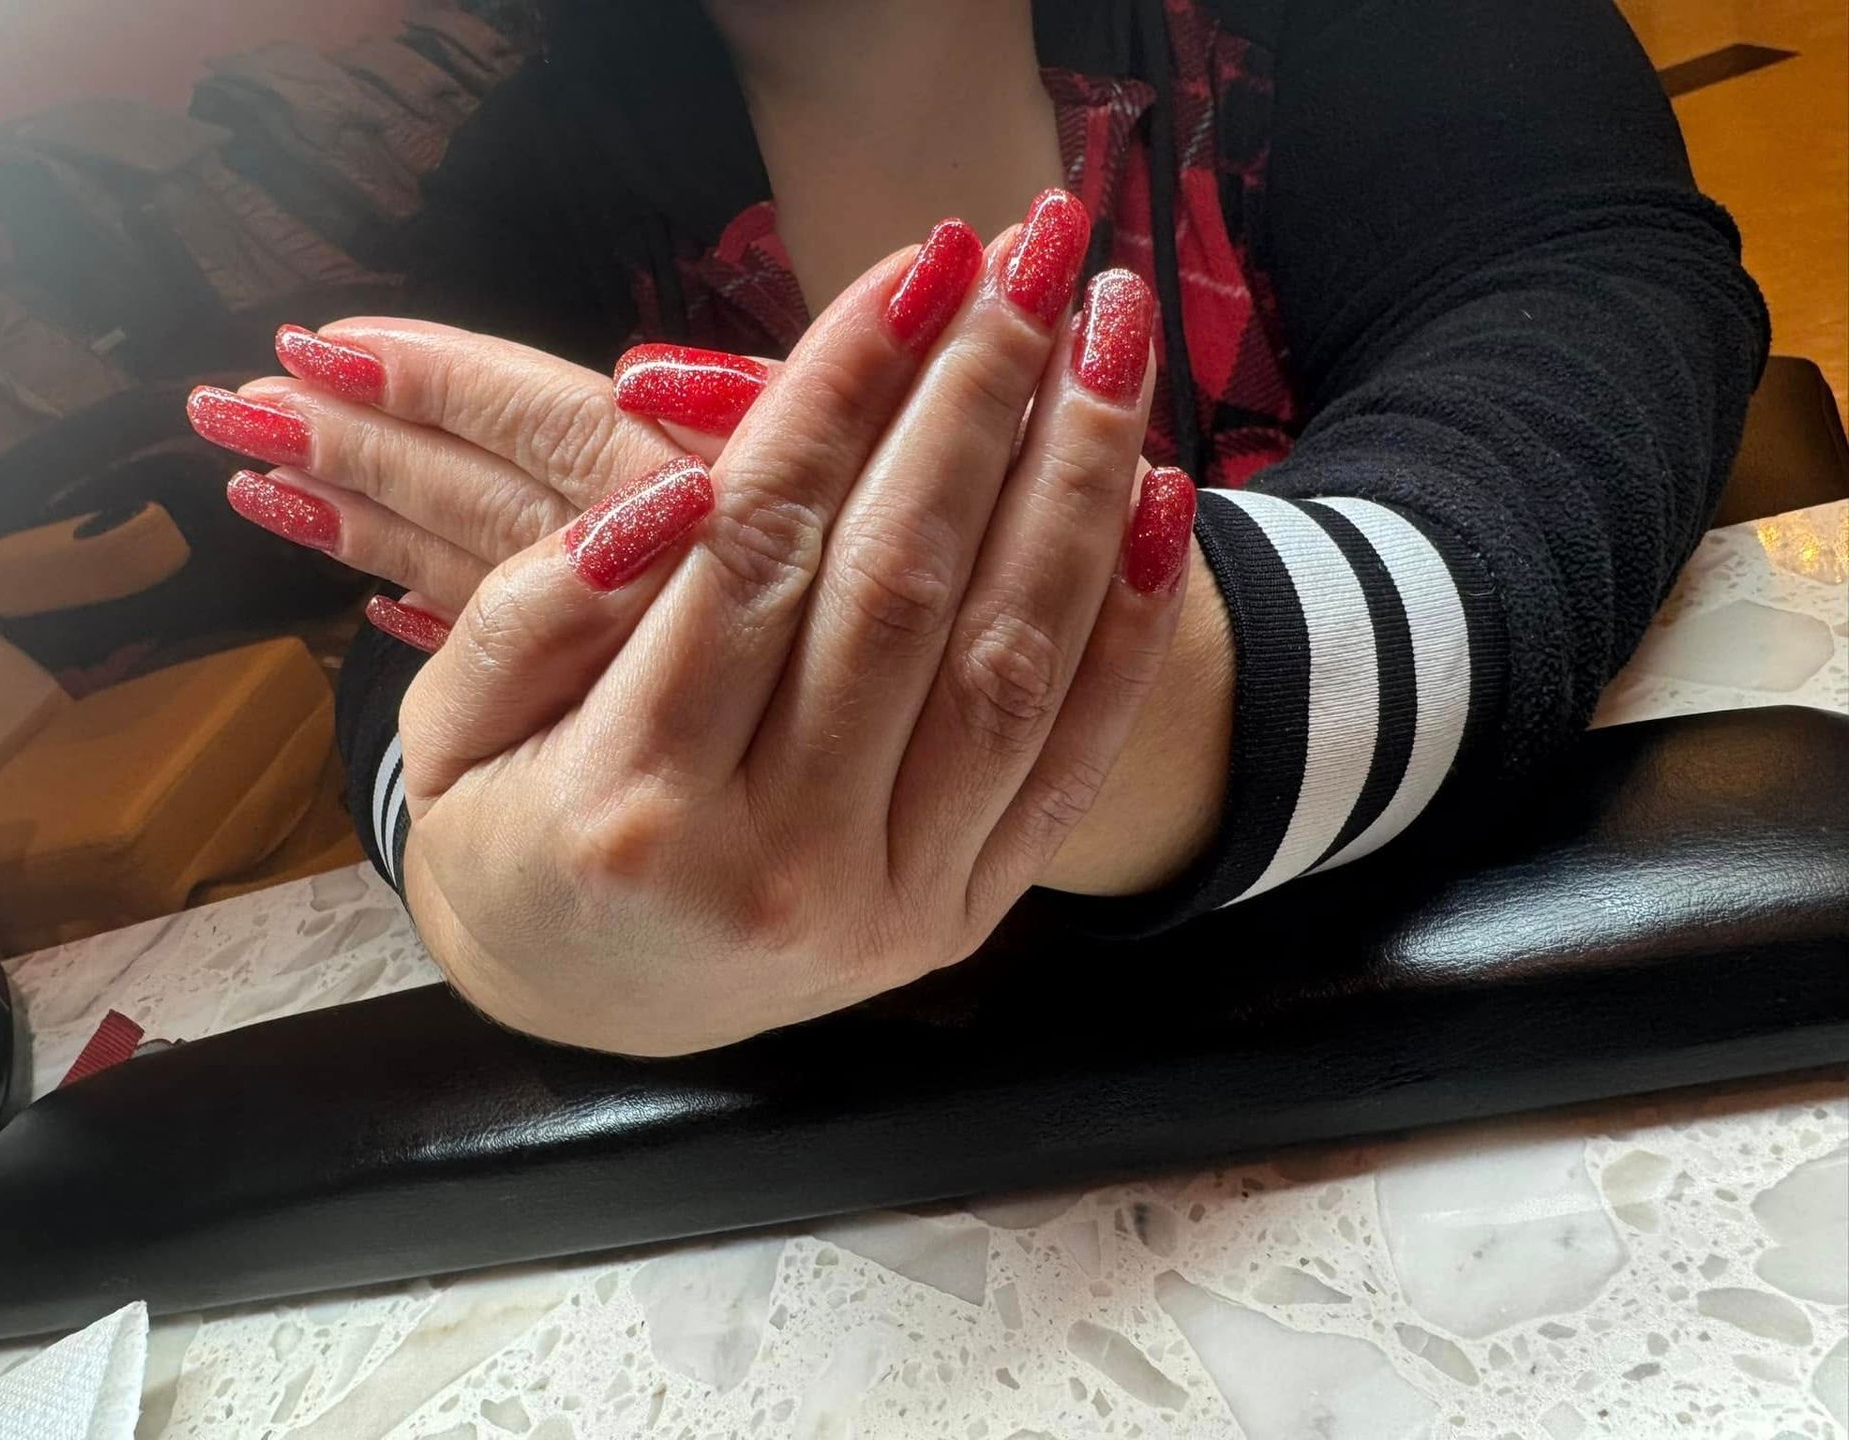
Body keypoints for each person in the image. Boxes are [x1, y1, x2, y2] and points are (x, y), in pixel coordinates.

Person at [186, 0, 1767, 1055]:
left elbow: (1586, 312)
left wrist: (1149, 687)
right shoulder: (535, 177)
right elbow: (424, 636)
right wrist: (489, 895)